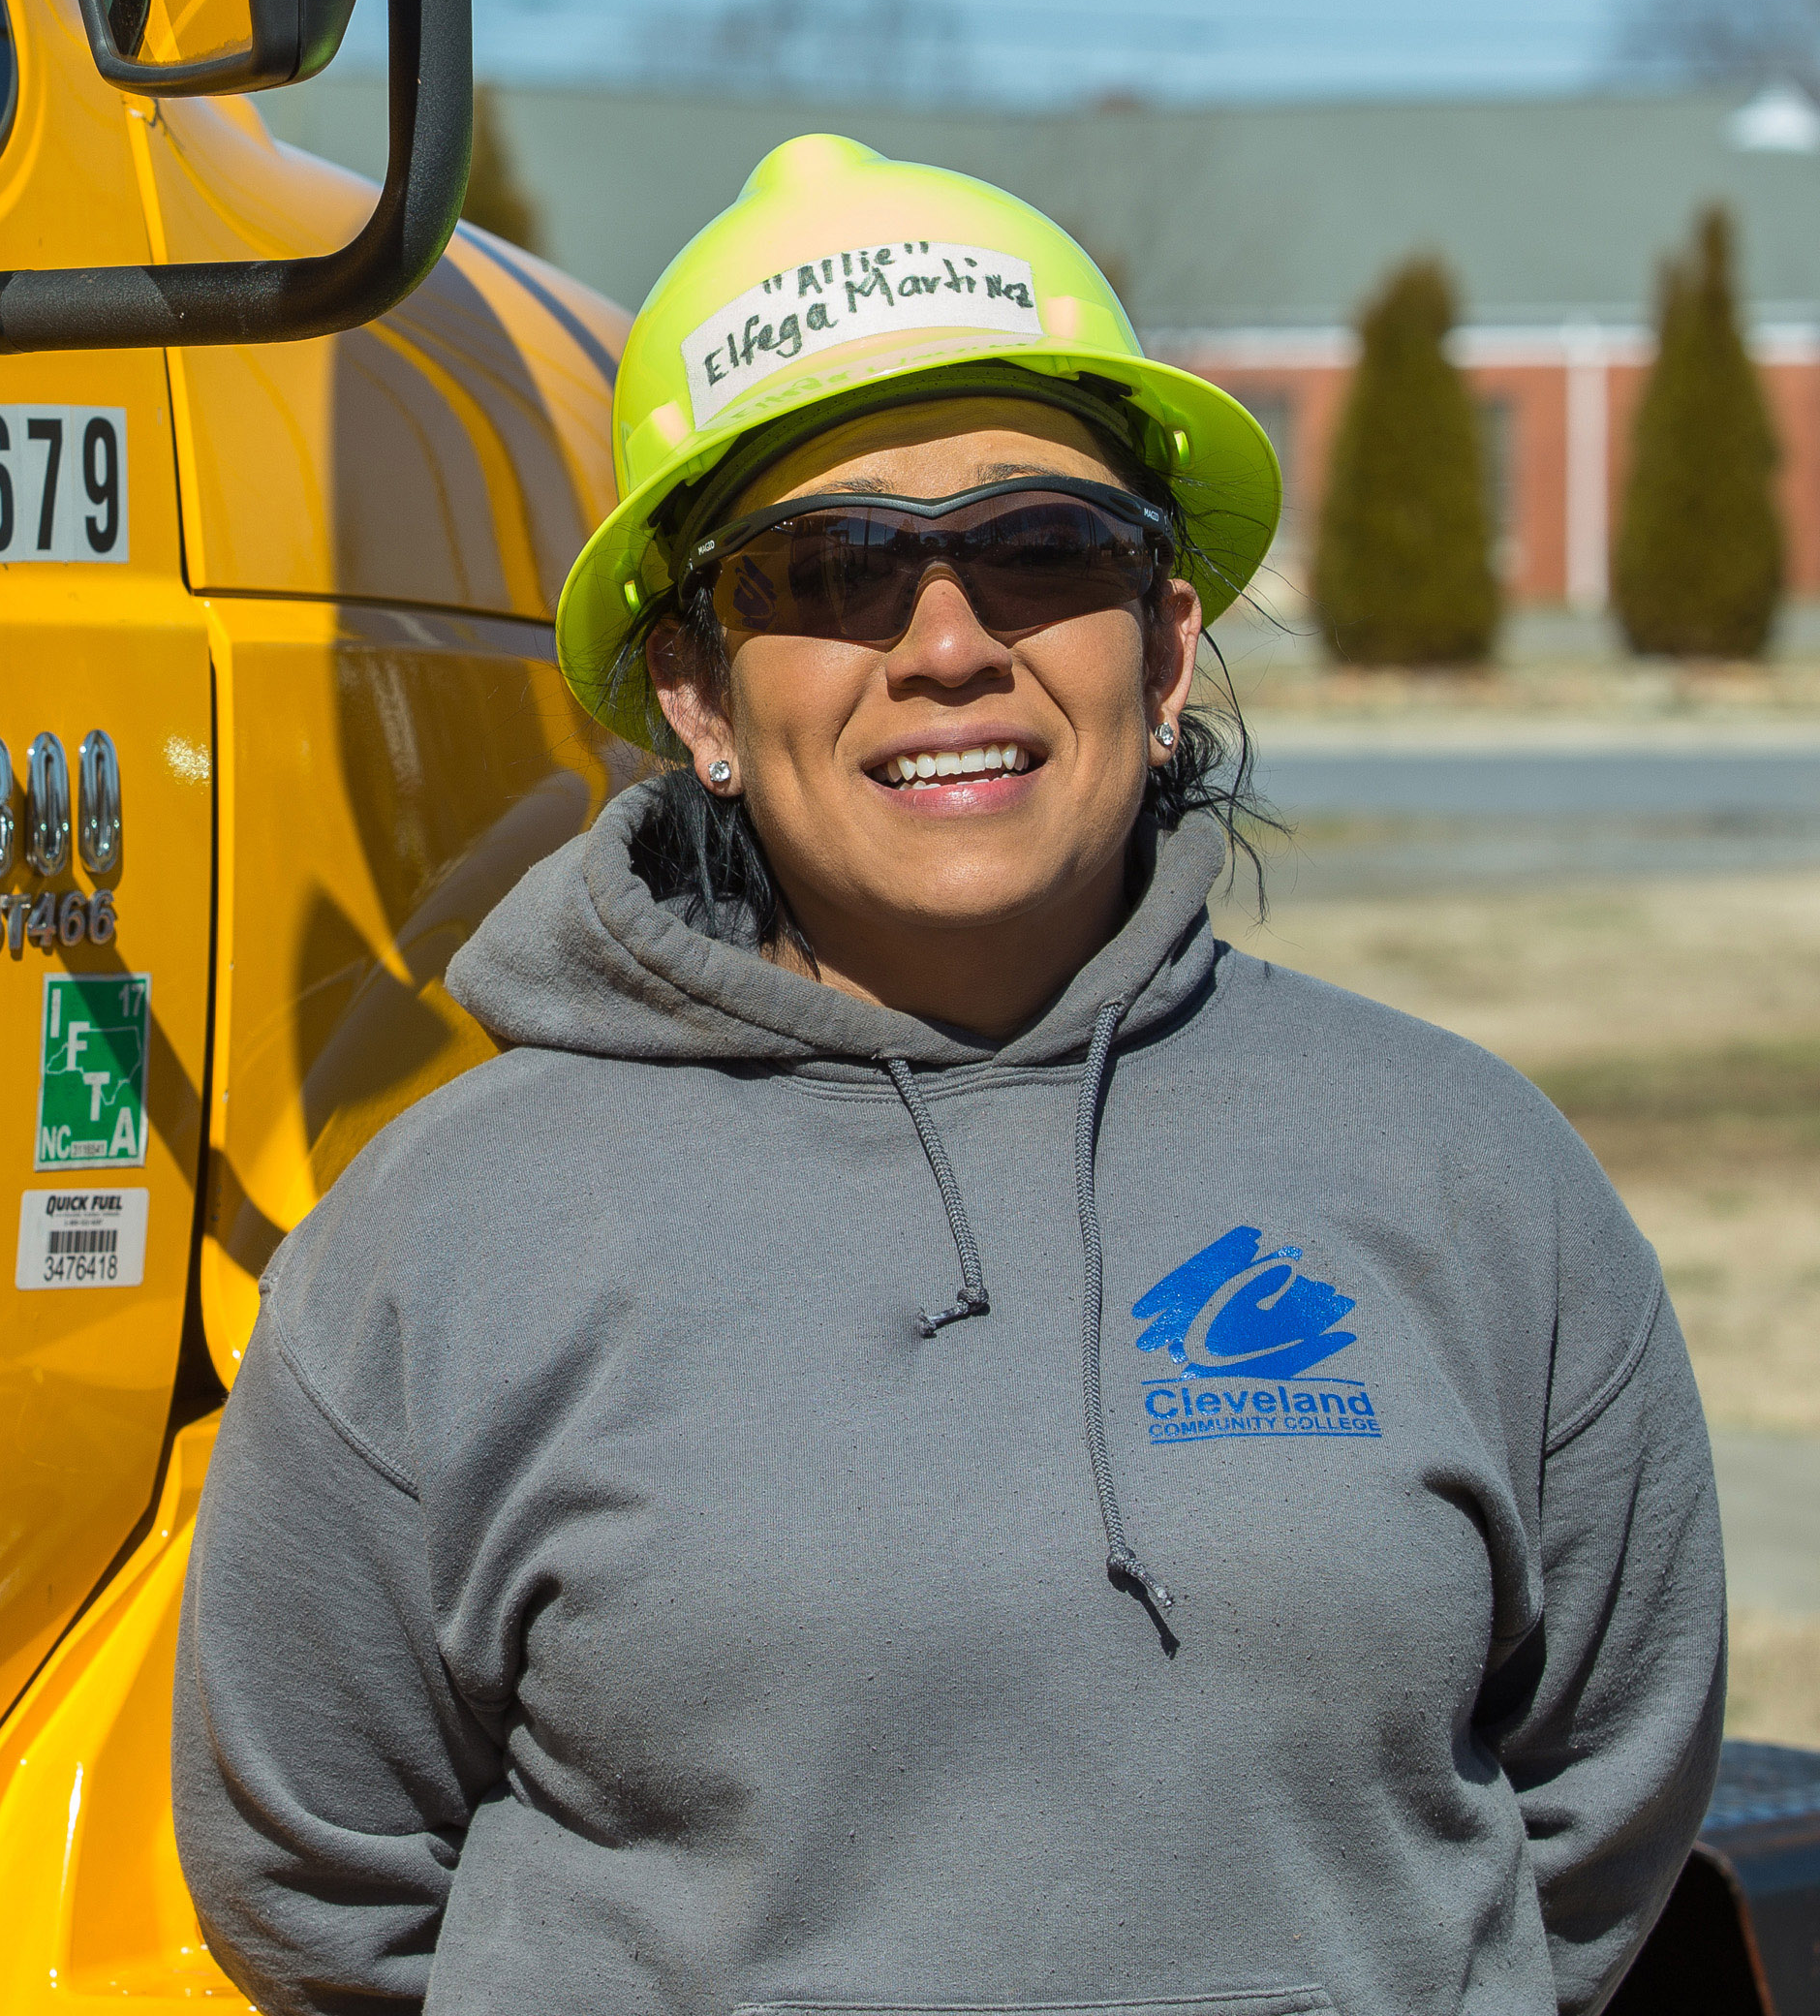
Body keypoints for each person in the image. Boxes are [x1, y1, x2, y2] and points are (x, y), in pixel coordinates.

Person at [171, 136, 1726, 2015]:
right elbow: (320, 1890)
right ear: (695, 690)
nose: (947, 647)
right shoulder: (442, 1243)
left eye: (1038, 549)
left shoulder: (1471, 1174)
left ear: (1165, 646)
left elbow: (1593, 1814)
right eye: (831, 571)